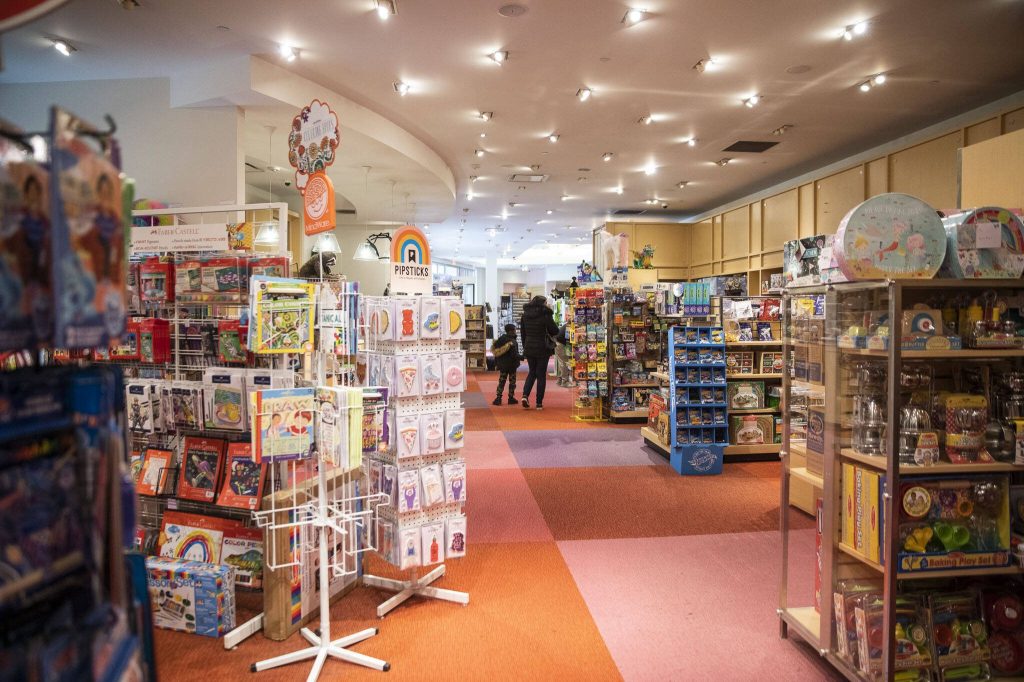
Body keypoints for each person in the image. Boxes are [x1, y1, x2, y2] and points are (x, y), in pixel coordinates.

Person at [519, 294, 558, 410]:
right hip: (542, 347)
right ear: (543, 303)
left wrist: (525, 346)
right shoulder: (546, 315)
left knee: (532, 372)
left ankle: (525, 395)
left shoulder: (525, 315)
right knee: (541, 375)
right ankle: (539, 403)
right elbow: (554, 330)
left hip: (529, 346)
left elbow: (523, 333)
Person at [491, 323, 520, 405]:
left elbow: (496, 352)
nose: (515, 331)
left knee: (501, 381)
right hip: (512, 366)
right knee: (512, 381)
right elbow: (515, 355)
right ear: (511, 331)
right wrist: (522, 357)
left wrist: (497, 364)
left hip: (503, 365)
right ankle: (511, 398)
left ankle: (498, 398)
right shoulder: (513, 342)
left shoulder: (500, 339)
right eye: (514, 330)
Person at [554, 323, 573, 387]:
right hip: (560, 344)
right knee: (564, 363)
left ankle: (559, 380)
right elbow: (568, 339)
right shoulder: (569, 327)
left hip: (558, 343)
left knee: (561, 363)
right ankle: (565, 382)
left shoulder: (567, 325)